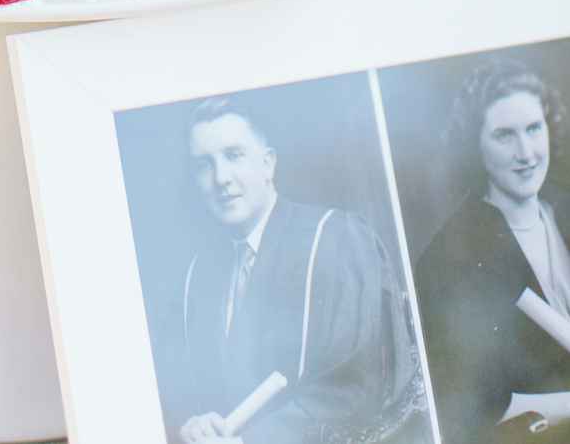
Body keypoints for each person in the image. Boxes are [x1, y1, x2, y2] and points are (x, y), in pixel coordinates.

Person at [168, 97, 420, 444]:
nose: (221, 178)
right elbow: (197, 392)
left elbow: (358, 385)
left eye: (233, 156)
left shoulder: (335, 239)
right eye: (203, 165)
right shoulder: (200, 276)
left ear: (268, 163)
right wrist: (197, 424)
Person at [415, 58, 570, 441]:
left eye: (534, 129)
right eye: (504, 135)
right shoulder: (450, 255)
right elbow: (479, 405)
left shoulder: (564, 208)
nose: (527, 153)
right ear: (476, 145)